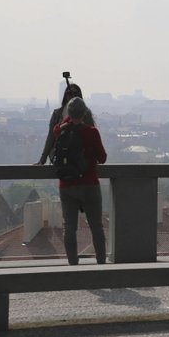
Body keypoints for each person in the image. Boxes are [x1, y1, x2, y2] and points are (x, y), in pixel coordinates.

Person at [54, 97, 108, 265]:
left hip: (67, 185)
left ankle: (72, 263)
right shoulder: (91, 132)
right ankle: (100, 263)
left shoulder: (59, 130)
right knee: (96, 226)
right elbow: (102, 158)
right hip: (89, 184)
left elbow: (63, 126)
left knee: (69, 227)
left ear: (68, 114)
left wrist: (69, 118)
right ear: (85, 113)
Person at [36, 83, 95, 165]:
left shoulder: (86, 114)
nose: (71, 96)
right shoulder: (57, 114)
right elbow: (51, 137)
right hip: (61, 156)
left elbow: (91, 137)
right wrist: (42, 159)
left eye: (75, 94)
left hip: (80, 156)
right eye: (69, 93)